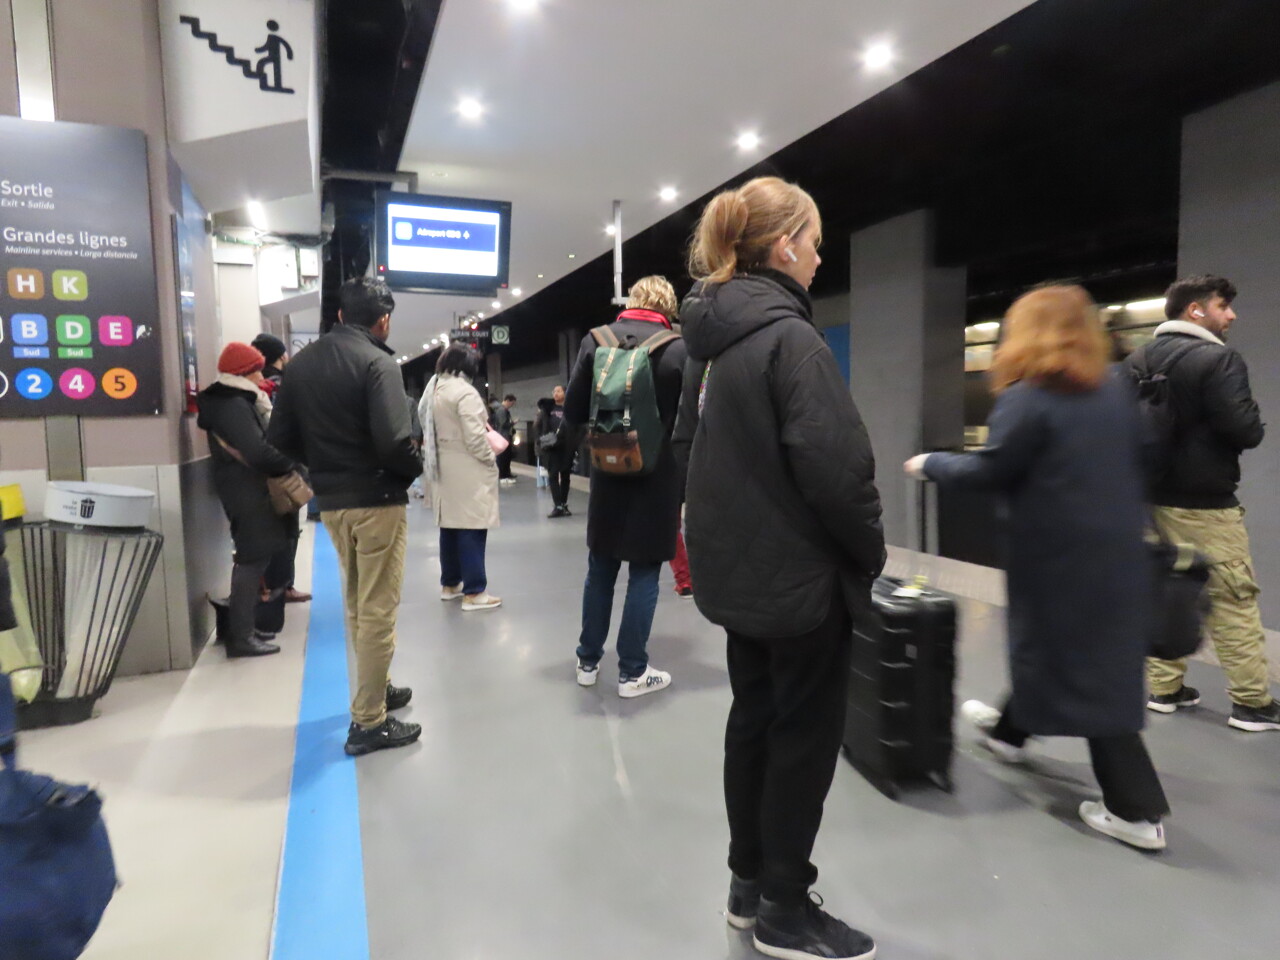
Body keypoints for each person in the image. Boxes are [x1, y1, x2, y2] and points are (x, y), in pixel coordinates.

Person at [673, 177, 884, 960]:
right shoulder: (793, 343)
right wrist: (868, 554)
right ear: (784, 245)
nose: (821, 258)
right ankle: (786, 911)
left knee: (753, 722)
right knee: (803, 739)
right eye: (815, 243)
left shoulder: (709, 349)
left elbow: (690, 453)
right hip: (802, 588)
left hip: (740, 581)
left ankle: (747, 885)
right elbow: (839, 470)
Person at [908, 284, 1171, 851]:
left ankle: (1135, 809)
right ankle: (1009, 734)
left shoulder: (1027, 398)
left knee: (1088, 671)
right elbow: (1146, 456)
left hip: (1059, 560)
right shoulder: (1114, 391)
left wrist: (932, 464)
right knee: (1058, 650)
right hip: (1116, 553)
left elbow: (992, 471)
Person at [268, 277, 423, 756]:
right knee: (378, 607)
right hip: (377, 499)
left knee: (358, 600)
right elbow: (395, 440)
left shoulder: (301, 365)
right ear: (383, 320)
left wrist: (324, 467)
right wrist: (414, 468)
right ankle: (369, 721)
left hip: (333, 503)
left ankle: (377, 686)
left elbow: (279, 439)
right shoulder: (378, 363)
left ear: (339, 315)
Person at [1123, 276, 1277, 731]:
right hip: (1206, 506)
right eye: (1222, 306)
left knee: (1163, 589)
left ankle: (1164, 689)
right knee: (1233, 599)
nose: (1231, 315)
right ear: (1195, 310)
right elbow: (1245, 430)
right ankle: (1252, 704)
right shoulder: (1219, 358)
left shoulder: (1136, 360)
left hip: (1147, 501)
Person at [563, 276, 686, 697]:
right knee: (645, 571)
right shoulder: (677, 350)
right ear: (668, 307)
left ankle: (587, 661)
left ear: (632, 301)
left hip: (607, 469)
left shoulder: (595, 341)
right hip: (657, 476)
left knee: (600, 567)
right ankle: (633, 672)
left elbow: (573, 410)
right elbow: (691, 421)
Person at [196, 342, 298, 658]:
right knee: (252, 559)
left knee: (255, 556)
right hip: (246, 488)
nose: (261, 375)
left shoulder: (233, 401)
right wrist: (290, 462)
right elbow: (255, 450)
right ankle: (241, 636)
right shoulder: (233, 405)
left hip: (245, 486)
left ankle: (245, 629)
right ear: (244, 372)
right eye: (256, 370)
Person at [420, 344, 503, 612]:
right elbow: (475, 437)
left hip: (442, 466)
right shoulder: (464, 392)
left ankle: (450, 584)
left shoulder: (434, 389)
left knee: (450, 526)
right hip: (467, 467)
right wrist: (490, 459)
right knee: (472, 526)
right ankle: (475, 591)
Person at [251, 332, 311, 605]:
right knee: (288, 529)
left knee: (271, 530)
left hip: (261, 470)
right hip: (285, 467)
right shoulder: (278, 386)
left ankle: (272, 584)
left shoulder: (254, 387)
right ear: (280, 356)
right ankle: (283, 586)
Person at [536, 386, 577, 517]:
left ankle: (563, 504)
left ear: (565, 393)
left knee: (565, 476)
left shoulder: (570, 409)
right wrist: (541, 441)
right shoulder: (548, 409)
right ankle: (557, 505)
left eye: (559, 391)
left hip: (567, 447)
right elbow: (539, 426)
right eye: (554, 391)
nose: (556, 393)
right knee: (553, 475)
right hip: (551, 447)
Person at [492, 394, 518, 485]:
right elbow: (503, 424)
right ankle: (503, 475)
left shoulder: (503, 410)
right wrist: (513, 423)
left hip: (505, 436)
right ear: (507, 401)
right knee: (503, 457)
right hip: (503, 437)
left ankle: (507, 473)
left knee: (507, 456)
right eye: (512, 403)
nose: (512, 405)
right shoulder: (501, 410)